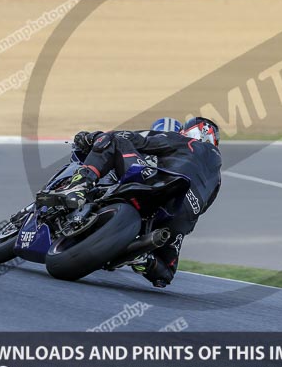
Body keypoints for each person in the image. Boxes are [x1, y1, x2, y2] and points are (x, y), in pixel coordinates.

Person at [54, 117, 222, 287]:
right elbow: (203, 208)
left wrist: (92, 137)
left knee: (113, 139)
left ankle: (80, 184)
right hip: (181, 217)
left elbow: (131, 138)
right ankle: (143, 258)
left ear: (188, 132)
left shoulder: (185, 141)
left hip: (157, 184)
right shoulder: (217, 178)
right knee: (166, 271)